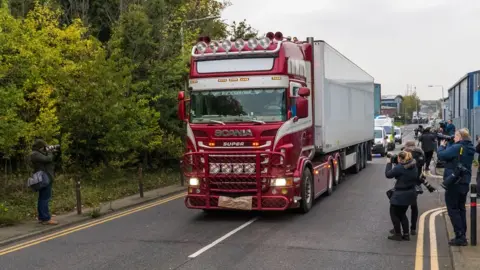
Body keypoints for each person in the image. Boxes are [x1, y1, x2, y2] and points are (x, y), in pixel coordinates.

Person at [437, 128, 475, 246]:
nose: (454, 137)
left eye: (456, 136)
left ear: (461, 137)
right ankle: (462, 234)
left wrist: (442, 146)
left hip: (454, 182)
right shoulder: (469, 148)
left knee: (453, 209)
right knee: (461, 208)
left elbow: (441, 155)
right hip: (464, 181)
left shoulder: (457, 148)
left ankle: (460, 236)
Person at [385, 151, 418, 241]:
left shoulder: (400, 168)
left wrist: (389, 162)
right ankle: (406, 234)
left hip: (400, 195)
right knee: (402, 214)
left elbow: (388, 174)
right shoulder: (414, 165)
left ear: (400, 158)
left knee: (394, 213)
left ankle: (398, 234)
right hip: (411, 193)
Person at [29, 139, 59, 225]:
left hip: (45, 177)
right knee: (45, 198)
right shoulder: (35, 154)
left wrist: (51, 151)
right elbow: (48, 159)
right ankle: (46, 218)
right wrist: (49, 152)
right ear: (40, 147)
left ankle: (43, 217)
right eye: (44, 147)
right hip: (44, 178)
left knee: (43, 198)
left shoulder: (37, 153)